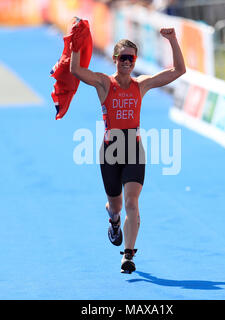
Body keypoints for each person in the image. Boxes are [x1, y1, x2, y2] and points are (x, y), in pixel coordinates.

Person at [70, 21, 186, 273]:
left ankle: (129, 255)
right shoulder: (103, 83)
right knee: (117, 206)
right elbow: (76, 70)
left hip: (133, 148)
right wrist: (76, 43)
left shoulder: (140, 85)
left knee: (132, 204)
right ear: (114, 59)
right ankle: (113, 221)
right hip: (111, 151)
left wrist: (172, 39)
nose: (127, 62)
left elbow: (179, 70)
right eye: (123, 58)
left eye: (131, 59)